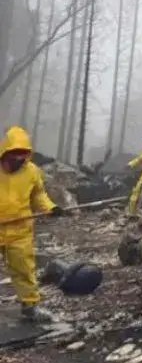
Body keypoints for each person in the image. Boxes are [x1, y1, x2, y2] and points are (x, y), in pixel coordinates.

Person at [0, 126, 62, 322]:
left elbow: (38, 196)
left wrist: (51, 208)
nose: (19, 158)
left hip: (20, 229)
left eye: (23, 154)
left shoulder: (32, 171)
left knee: (24, 270)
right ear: (6, 151)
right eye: (15, 153)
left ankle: (30, 306)